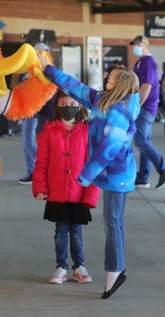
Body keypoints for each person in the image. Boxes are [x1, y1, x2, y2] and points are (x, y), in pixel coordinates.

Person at [39, 54, 141, 299]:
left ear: (120, 85)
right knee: (112, 223)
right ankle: (115, 270)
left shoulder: (120, 113)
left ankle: (115, 272)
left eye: (112, 77)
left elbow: (109, 149)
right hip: (108, 174)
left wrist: (85, 176)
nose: (107, 78)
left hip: (118, 176)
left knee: (113, 223)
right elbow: (76, 87)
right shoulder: (101, 100)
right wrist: (49, 70)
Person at [32, 89, 100, 285]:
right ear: (56, 107)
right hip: (57, 193)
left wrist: (91, 195)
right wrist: (39, 188)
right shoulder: (48, 133)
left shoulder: (88, 131)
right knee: (61, 232)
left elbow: (92, 165)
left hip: (79, 193)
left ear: (79, 105)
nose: (67, 108)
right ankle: (61, 267)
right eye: (62, 105)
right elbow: (41, 164)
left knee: (76, 232)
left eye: (71, 104)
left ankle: (79, 266)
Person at [129, 35, 165, 189]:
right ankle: (143, 177)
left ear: (144, 45)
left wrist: (136, 106)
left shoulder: (148, 63)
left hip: (145, 108)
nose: (134, 47)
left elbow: (146, 87)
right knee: (144, 142)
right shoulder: (141, 62)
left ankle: (162, 168)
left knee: (140, 141)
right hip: (145, 108)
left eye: (137, 44)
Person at [18, 42, 55, 184]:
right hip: (34, 110)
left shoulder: (47, 70)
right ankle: (36, 170)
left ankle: (40, 168)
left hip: (40, 111)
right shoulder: (31, 69)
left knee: (30, 141)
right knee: (30, 141)